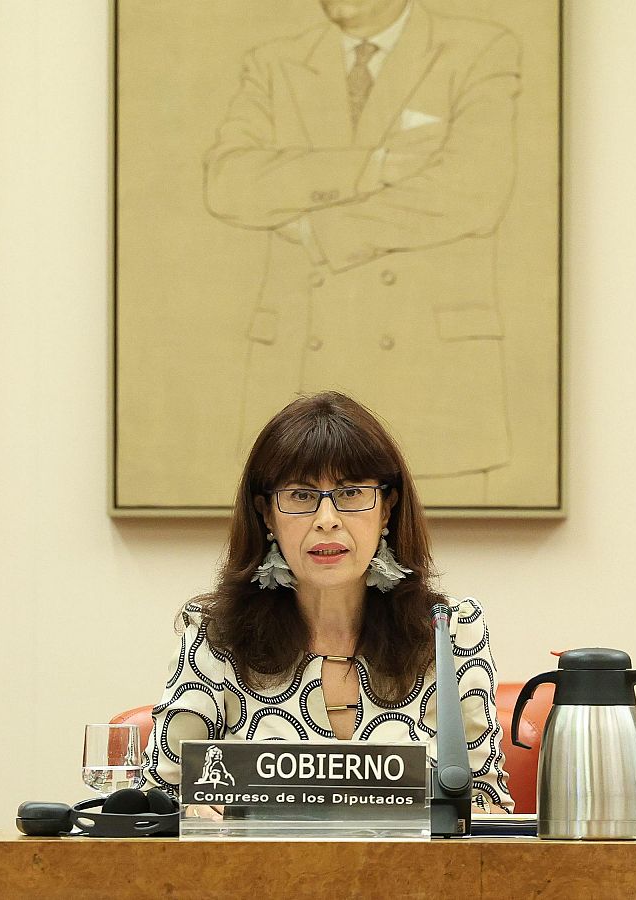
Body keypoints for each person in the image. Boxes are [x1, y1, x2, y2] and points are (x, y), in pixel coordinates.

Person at [206, 0, 521, 503]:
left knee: (429, 570)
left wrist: (319, 232)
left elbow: (471, 191)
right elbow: (230, 184)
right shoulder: (273, 62)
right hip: (297, 370)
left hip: (429, 375)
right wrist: (370, 166)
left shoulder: (477, 49)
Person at [143, 391, 512, 810]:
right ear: (267, 514)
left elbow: (486, 804)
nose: (327, 519)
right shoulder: (217, 635)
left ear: (387, 509)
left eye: (351, 493)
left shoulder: (447, 631)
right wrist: (193, 811)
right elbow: (159, 798)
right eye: (301, 496)